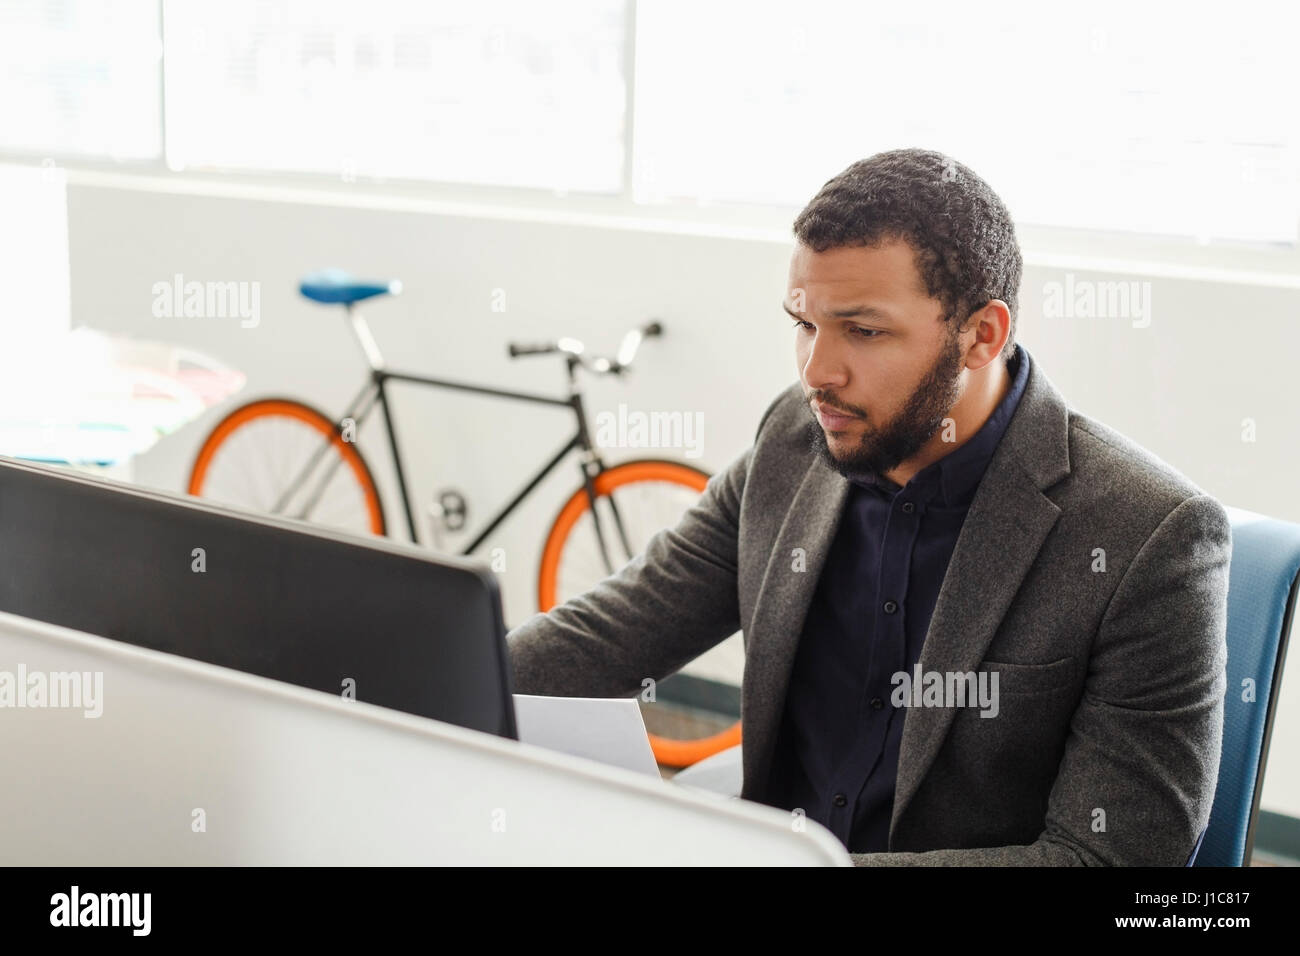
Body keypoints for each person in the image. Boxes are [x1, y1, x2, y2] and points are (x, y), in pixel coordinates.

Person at [507, 148, 1229, 866]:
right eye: (804, 323)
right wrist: (422, 680)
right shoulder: (793, 439)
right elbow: (608, 637)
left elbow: (1109, 860)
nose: (817, 371)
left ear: (983, 335)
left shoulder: (1149, 537)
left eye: (864, 330)